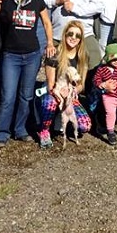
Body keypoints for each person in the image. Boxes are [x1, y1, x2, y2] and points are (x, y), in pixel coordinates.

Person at [0, 0, 54, 147]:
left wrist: (49, 43)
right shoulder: (6, 2)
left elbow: (47, 23)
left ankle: (20, 129)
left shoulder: (37, 1)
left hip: (32, 55)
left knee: (26, 95)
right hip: (11, 55)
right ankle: (1, 133)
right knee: (8, 96)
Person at [37, 20, 92, 148]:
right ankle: (44, 130)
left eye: (77, 36)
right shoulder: (55, 53)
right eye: (70, 34)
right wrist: (60, 93)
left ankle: (60, 121)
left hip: (71, 94)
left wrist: (73, 92)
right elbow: (51, 84)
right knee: (49, 104)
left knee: (85, 126)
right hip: (54, 91)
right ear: (65, 34)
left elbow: (81, 85)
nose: (73, 37)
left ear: (81, 39)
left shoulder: (83, 56)